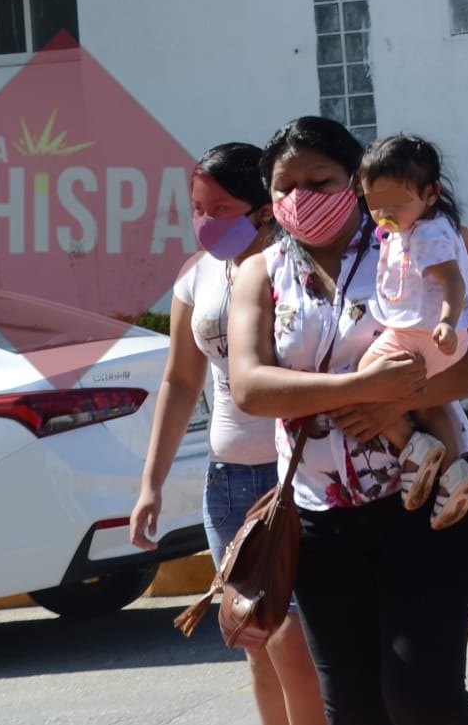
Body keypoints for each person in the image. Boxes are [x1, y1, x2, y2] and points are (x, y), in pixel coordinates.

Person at [227, 115, 468, 725]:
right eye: (284, 187)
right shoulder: (260, 271)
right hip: (320, 523)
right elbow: (250, 386)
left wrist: (400, 402)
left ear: (356, 180)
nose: (300, 197)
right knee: (354, 709)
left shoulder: (419, 239)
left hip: (431, 505)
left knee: (421, 698)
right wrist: (360, 389)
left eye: (319, 181)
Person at [129, 143, 326, 725]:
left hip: (296, 479)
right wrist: (151, 484)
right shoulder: (196, 277)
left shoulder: (296, 266)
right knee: (255, 640)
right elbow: (179, 381)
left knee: (293, 642)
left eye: (219, 209)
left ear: (263, 208)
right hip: (228, 486)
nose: (204, 222)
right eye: (196, 209)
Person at [356, 133, 468, 530]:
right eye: (374, 203)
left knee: (365, 376)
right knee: (432, 404)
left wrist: (446, 320)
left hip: (424, 333)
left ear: (431, 193)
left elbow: (452, 282)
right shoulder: (430, 223)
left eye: (395, 202)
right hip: (436, 336)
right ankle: (456, 474)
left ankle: (413, 446)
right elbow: (463, 235)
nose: (384, 213)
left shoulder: (424, 234)